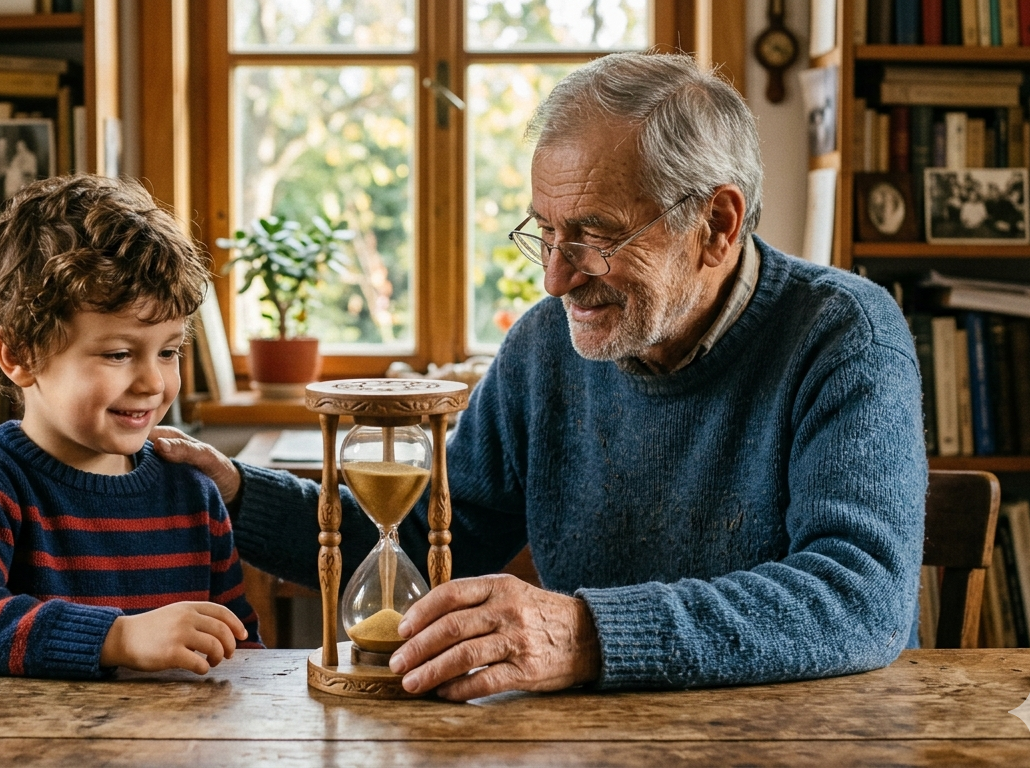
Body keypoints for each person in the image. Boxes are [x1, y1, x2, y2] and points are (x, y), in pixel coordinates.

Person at [156, 52, 926, 700]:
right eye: (545, 232)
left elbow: (858, 595)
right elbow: (425, 544)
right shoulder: (542, 348)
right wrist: (237, 493)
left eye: (595, 235)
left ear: (716, 225)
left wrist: (586, 635)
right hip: (589, 742)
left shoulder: (843, 335)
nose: (556, 278)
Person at [0, 175, 261, 679]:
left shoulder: (192, 490)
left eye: (168, 352)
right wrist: (118, 638)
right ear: (19, 355)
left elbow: (242, 649)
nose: (153, 383)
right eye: (118, 354)